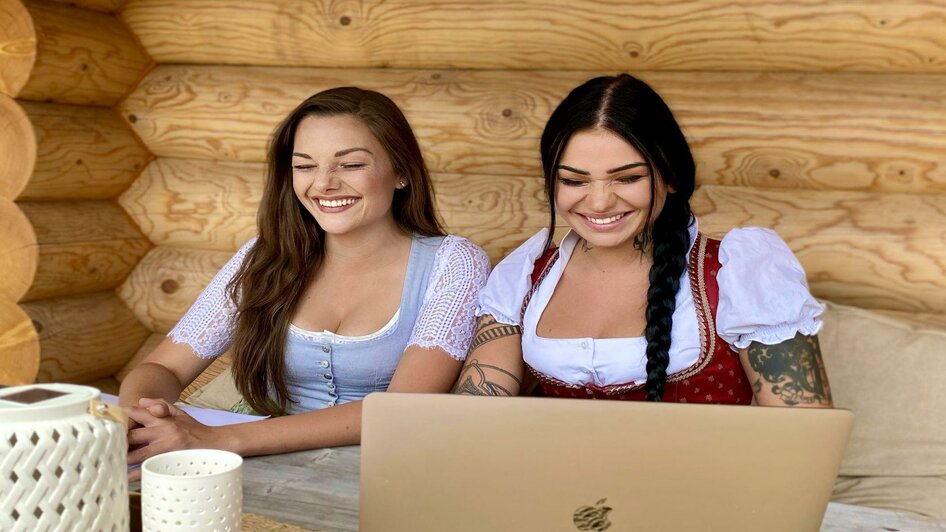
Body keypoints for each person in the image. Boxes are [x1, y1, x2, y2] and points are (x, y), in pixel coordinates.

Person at [120, 87, 490, 473]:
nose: (324, 184)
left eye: (350, 165)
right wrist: (140, 416)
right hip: (261, 464)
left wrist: (218, 439)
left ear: (400, 171)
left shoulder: (455, 262)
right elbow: (163, 369)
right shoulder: (264, 255)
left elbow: (401, 409)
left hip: (390, 470)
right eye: (304, 166)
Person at [452, 74, 832, 408]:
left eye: (627, 178)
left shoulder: (738, 272)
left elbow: (802, 436)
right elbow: (477, 420)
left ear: (670, 175)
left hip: (710, 487)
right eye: (574, 181)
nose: (599, 201)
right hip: (561, 485)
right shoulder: (524, 277)